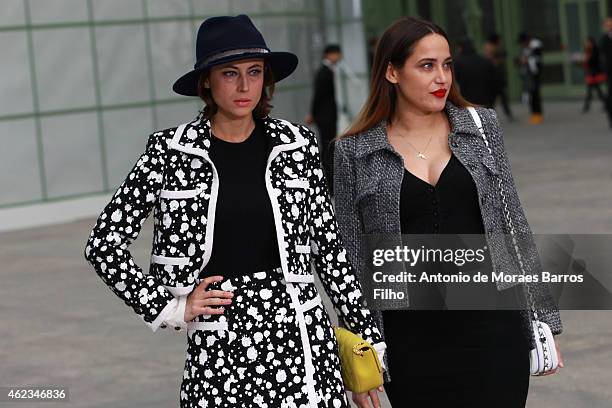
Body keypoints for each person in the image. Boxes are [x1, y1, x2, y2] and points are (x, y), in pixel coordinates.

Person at [84, 15, 385, 408]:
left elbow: (330, 253)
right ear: (206, 80)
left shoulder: (297, 146)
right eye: (230, 73)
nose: (245, 86)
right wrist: (169, 306)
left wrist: (366, 349)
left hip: (304, 340)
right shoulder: (171, 153)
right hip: (221, 348)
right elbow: (103, 244)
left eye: (255, 72)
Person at [334, 16, 564, 407]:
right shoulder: (353, 152)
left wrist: (543, 322)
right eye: (426, 66)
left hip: (495, 329)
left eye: (446, 64)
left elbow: (512, 221)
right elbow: (352, 257)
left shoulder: (481, 126)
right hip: (411, 341)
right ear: (392, 71)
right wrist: (362, 350)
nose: (441, 77)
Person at [306, 44, 342, 194]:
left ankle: (330, 184)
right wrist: (312, 114)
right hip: (325, 117)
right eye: (338, 54)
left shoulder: (328, 71)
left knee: (328, 148)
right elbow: (318, 96)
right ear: (329, 54)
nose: (340, 57)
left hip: (327, 116)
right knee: (327, 149)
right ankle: (328, 184)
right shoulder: (324, 73)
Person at [453, 38, 499, 108]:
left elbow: (456, 81)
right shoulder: (486, 61)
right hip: (485, 100)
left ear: (460, 48)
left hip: (468, 100)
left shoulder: (458, 63)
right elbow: (495, 81)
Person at [483, 33, 515, 120]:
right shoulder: (490, 47)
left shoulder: (495, 48)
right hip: (493, 77)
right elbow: (492, 61)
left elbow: (503, 56)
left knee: (501, 97)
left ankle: (492, 116)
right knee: (493, 98)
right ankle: (488, 117)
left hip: (497, 77)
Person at [517, 31, 544, 124]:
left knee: (535, 93)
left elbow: (536, 58)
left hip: (535, 74)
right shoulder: (526, 49)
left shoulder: (536, 45)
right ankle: (534, 114)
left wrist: (526, 60)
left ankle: (538, 114)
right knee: (531, 94)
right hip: (528, 74)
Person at [580, 36, 607, 113]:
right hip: (590, 73)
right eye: (586, 42)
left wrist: (587, 59)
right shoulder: (587, 50)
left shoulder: (596, 49)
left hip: (595, 73)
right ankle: (605, 104)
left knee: (594, 91)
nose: (587, 43)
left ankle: (587, 107)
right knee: (597, 91)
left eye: (588, 42)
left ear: (591, 42)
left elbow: (595, 60)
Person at [600, 16, 612, 127]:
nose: (609, 26)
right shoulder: (604, 39)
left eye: (611, 23)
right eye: (607, 24)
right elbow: (603, 56)